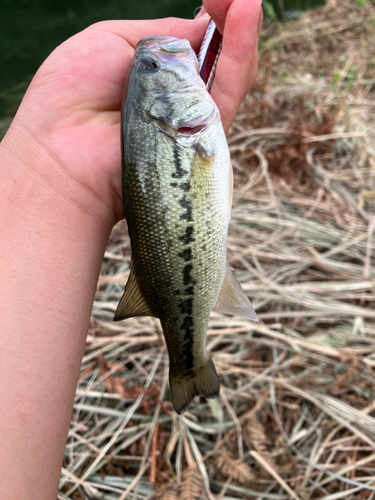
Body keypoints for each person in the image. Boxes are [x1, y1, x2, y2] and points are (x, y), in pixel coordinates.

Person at [0, 0, 262, 497]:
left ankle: (188, 360)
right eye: (155, 70)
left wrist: (45, 164)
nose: (158, 56)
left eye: (155, 67)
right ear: (165, 110)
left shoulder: (182, 124)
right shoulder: (188, 128)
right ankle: (190, 364)